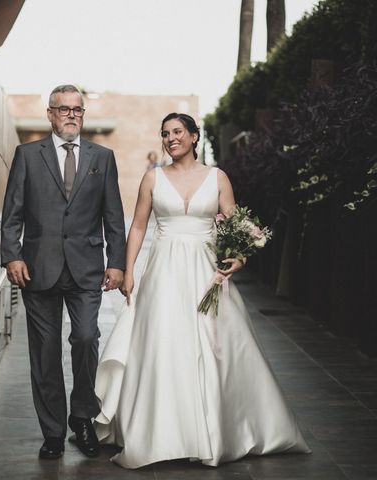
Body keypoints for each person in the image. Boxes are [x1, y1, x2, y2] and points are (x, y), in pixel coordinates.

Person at [94, 113, 310, 468]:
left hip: (205, 273)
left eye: (177, 132)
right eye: (165, 133)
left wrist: (239, 257)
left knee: (212, 346)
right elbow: (137, 228)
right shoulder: (152, 179)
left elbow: (238, 223)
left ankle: (215, 432)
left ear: (194, 137)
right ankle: (159, 433)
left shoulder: (217, 178)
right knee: (163, 344)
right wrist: (129, 271)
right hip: (163, 273)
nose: (170, 138)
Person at [0, 84, 126, 460]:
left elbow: (114, 216)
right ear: (51, 114)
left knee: (86, 339)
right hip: (38, 269)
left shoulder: (102, 157)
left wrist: (116, 262)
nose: (72, 115)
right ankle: (52, 431)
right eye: (64, 109)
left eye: (78, 110)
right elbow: (13, 213)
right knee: (45, 353)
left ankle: (82, 417)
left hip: (86, 269)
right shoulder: (27, 154)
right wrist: (12, 256)